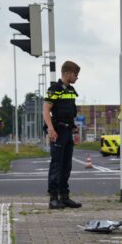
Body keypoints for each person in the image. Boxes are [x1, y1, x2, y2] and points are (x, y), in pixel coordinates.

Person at [43, 60, 82, 210]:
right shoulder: (55, 88)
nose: (77, 78)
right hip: (58, 130)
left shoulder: (70, 90)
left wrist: (74, 128)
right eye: (75, 75)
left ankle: (64, 196)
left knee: (67, 165)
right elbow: (46, 109)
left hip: (67, 130)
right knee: (57, 164)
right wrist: (51, 129)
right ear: (68, 74)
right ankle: (53, 197)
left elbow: (69, 112)